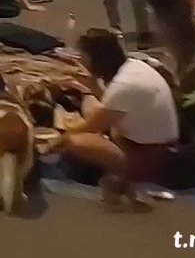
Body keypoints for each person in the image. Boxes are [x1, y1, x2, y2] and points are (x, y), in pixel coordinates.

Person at [46, 28, 179, 210]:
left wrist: (49, 142)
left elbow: (87, 128)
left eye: (82, 56)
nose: (80, 60)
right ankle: (118, 168)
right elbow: (109, 105)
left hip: (148, 154)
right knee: (90, 104)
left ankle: (122, 174)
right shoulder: (134, 67)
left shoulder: (123, 86)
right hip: (149, 141)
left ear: (93, 58)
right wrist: (91, 84)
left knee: (72, 140)